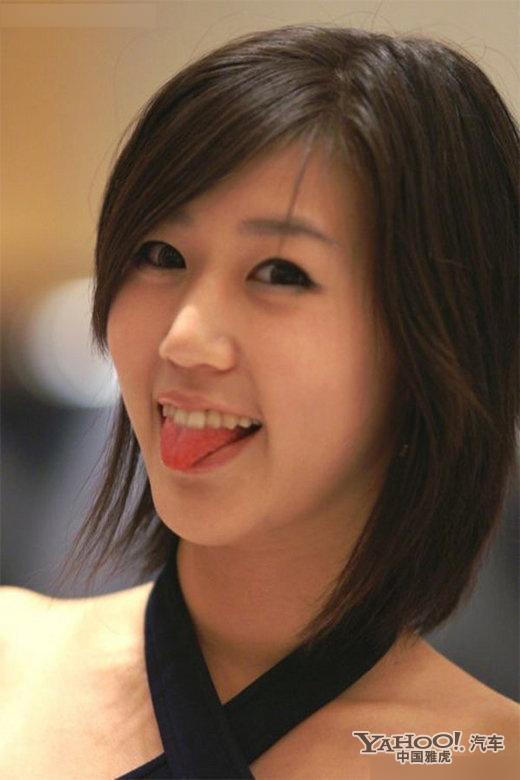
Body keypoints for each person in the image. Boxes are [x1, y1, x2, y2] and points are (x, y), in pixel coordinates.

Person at [1, 24, 518, 779]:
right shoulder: (13, 664)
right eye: (160, 256)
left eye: (280, 272)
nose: (185, 338)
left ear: (435, 334)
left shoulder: (480, 756)